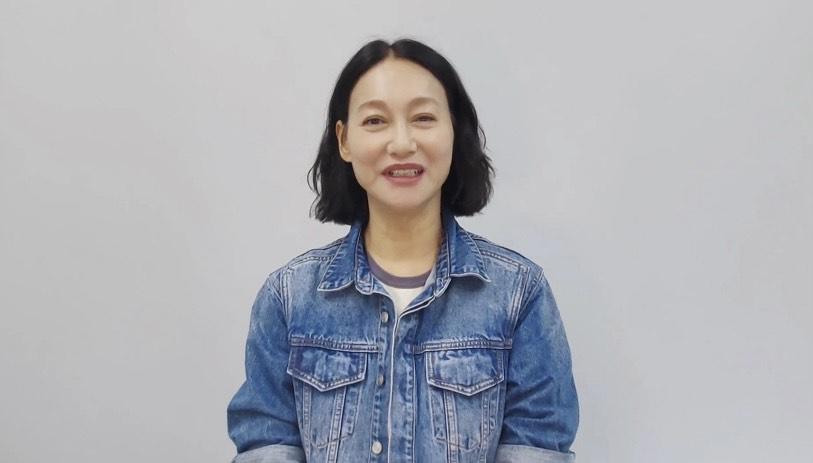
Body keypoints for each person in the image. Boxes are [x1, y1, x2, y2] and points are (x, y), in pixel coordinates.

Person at [226, 38, 579, 463]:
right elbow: (266, 445)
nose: (401, 143)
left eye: (423, 118)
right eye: (375, 120)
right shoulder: (289, 297)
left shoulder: (518, 293)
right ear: (344, 140)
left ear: (454, 131)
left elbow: (537, 447)